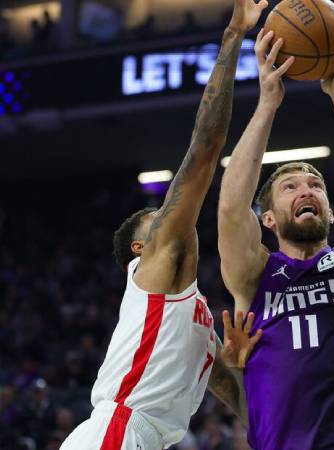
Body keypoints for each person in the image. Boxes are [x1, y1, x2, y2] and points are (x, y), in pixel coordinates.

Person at [59, 1, 267, 449]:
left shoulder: (192, 314)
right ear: (141, 250)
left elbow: (232, 393)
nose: (172, 220)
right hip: (117, 431)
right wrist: (232, 38)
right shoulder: (155, 270)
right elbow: (206, 145)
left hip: (145, 437)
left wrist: (247, 384)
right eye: (158, 221)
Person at [217, 24, 334, 450]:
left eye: (315, 186)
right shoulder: (254, 273)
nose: (306, 191)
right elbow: (229, 208)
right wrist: (266, 104)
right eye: (290, 187)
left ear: (332, 212)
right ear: (270, 220)